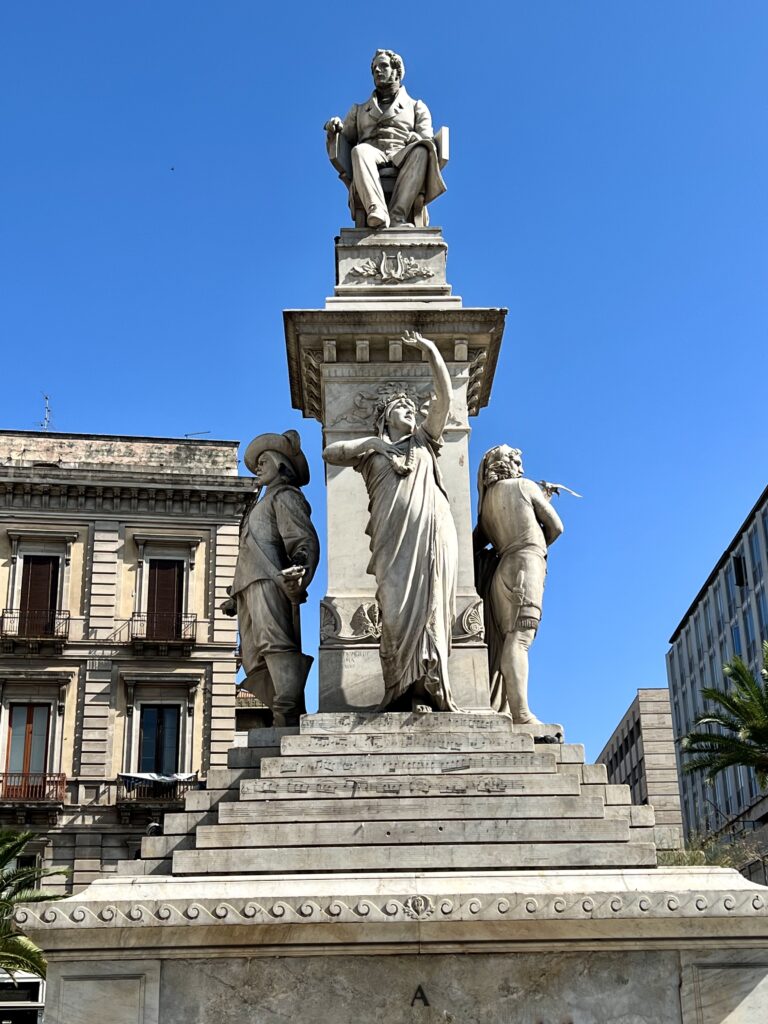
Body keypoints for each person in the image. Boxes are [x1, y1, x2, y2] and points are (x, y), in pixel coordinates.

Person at [322, 332, 458, 712]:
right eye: (402, 408)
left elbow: (445, 400)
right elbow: (331, 452)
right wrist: (374, 444)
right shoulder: (373, 453)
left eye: (412, 408)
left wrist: (432, 351)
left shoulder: (425, 442)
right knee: (395, 612)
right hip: (392, 541)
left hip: (432, 535)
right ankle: (398, 688)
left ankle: (426, 690)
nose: (411, 412)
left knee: (432, 607)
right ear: (386, 417)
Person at [222, 430, 319, 727]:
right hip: (247, 588)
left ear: (279, 464)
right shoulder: (259, 505)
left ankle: (287, 713)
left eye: (263, 461)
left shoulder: (286, 496)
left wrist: (300, 566)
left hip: (269, 582)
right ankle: (279, 711)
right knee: (253, 658)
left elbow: (303, 539)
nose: (257, 467)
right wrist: (234, 595)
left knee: (274, 645)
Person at [473, 446, 564, 723]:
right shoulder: (525, 486)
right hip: (527, 563)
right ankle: (521, 713)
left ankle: (512, 708)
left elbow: (474, 545)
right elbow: (556, 527)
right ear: (508, 464)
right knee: (520, 639)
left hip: (502, 570)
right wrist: (536, 545)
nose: (521, 467)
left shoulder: (486, 507)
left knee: (508, 639)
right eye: (517, 461)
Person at [324, 49, 446, 229]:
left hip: (403, 155)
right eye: (374, 69)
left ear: (397, 71)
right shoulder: (359, 110)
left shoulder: (416, 106)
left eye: (383, 66)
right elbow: (344, 139)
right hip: (372, 155)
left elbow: (427, 136)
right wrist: (333, 129)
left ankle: (398, 216)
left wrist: (417, 137)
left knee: (422, 149)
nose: (377, 71)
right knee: (359, 150)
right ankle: (377, 209)